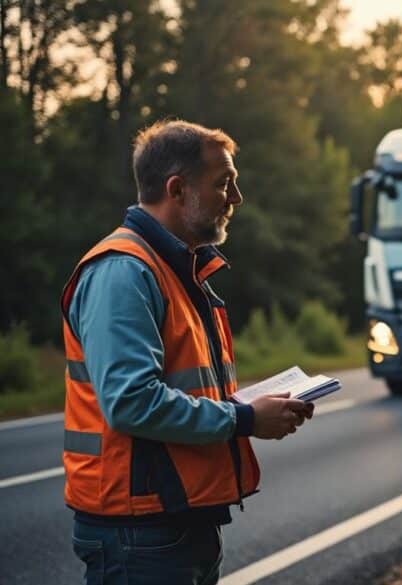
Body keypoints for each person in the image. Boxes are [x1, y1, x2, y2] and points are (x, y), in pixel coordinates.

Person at [61, 120, 314, 584]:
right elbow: (132, 402)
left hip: (175, 519)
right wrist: (246, 419)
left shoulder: (174, 269)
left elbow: (183, 387)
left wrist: (255, 408)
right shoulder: (124, 272)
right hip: (139, 531)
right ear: (178, 190)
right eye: (223, 183)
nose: (235, 198)